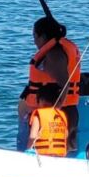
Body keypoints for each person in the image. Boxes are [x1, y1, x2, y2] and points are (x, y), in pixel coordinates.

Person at [18, 16, 81, 153]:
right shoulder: (54, 51)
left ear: (43, 36)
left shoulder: (54, 55)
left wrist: (55, 110)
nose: (34, 40)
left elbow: (65, 84)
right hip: (59, 111)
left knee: (54, 151)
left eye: (35, 36)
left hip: (55, 114)